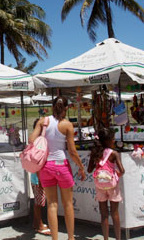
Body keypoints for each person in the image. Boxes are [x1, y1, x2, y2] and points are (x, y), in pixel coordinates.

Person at [29, 96, 86, 240]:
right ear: (66, 108)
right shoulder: (67, 125)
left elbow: (31, 140)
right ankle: (70, 238)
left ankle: (55, 238)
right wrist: (81, 167)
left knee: (52, 205)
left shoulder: (43, 122)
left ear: (52, 106)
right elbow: (72, 152)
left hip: (46, 166)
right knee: (68, 204)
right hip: (61, 165)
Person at [88, 127, 125, 240]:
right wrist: (115, 176)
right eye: (112, 139)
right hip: (112, 186)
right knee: (115, 213)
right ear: (107, 140)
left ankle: (105, 238)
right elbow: (122, 170)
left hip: (100, 185)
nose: (114, 141)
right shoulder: (114, 154)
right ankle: (118, 238)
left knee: (104, 214)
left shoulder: (95, 153)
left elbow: (89, 170)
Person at [30, 118, 50, 236]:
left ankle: (36, 223)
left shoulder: (36, 140)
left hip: (36, 175)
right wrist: (40, 177)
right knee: (39, 203)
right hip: (38, 176)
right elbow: (38, 161)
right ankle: (39, 224)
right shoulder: (39, 141)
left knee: (38, 202)